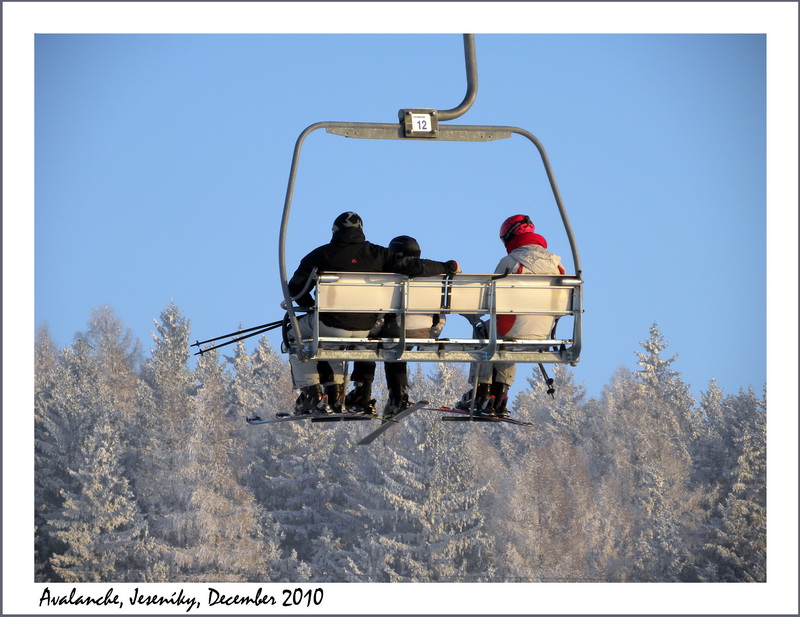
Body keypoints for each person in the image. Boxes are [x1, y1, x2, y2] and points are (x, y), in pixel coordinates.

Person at [286, 212, 460, 416]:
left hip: (328, 323)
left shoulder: (319, 255)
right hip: (364, 329)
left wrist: (313, 309)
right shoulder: (378, 254)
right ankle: (336, 394)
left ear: (334, 231)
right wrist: (446, 267)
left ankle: (312, 394)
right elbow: (412, 265)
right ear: (361, 230)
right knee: (331, 344)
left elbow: (295, 289)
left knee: (295, 334)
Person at [453, 214, 565, 417]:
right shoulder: (557, 266)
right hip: (542, 329)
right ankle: (501, 392)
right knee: (508, 336)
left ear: (509, 237)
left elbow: (491, 300)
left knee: (488, 332)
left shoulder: (511, 262)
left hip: (511, 325)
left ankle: (482, 391)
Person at [346, 235, 447, 418]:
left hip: (395, 329)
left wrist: (370, 332)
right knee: (397, 348)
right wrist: (433, 333)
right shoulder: (433, 277)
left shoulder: (391, 278)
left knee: (368, 343)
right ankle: (397, 395)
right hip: (423, 331)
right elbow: (440, 315)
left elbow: (381, 314)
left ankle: (362, 394)